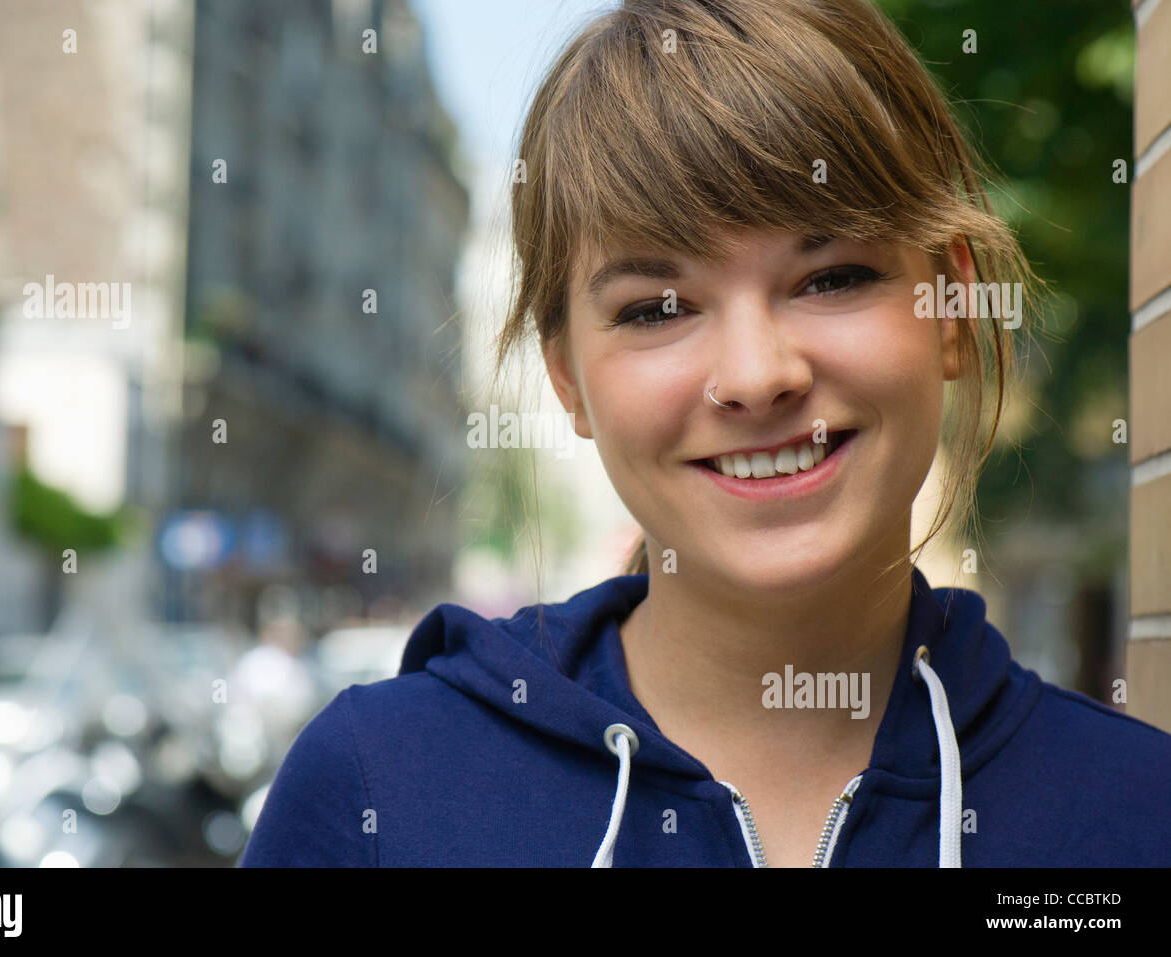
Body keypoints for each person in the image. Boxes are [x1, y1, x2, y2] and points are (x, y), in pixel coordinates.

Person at [241, 0, 1171, 866]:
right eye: (657, 308)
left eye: (833, 276)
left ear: (954, 310)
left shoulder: (1135, 812)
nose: (758, 375)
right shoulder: (376, 791)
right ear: (567, 375)